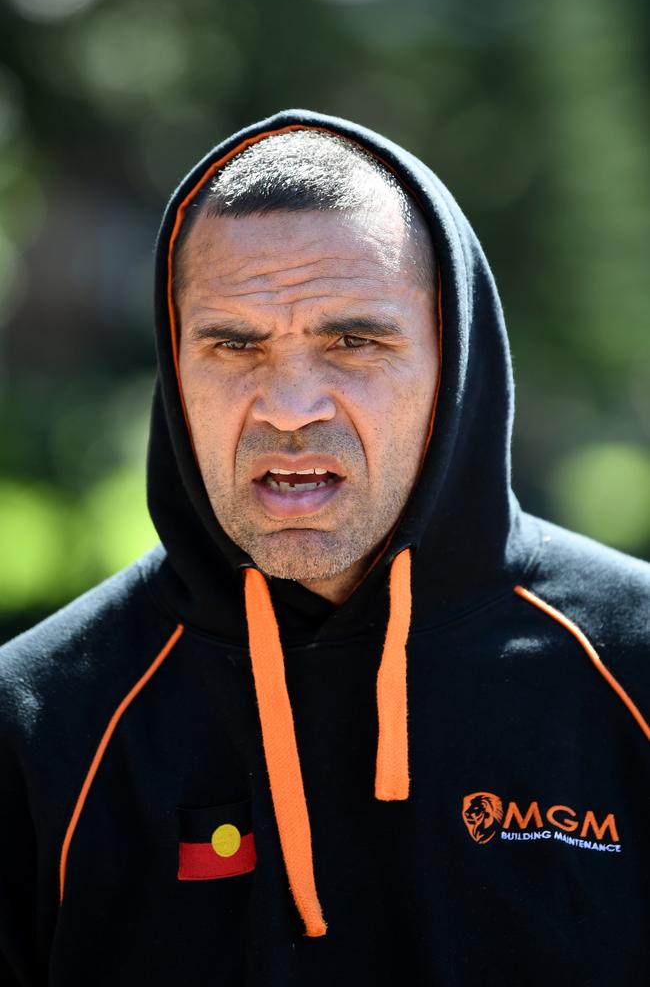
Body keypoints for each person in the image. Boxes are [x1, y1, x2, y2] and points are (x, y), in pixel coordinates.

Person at [0, 109, 648, 987]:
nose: (290, 405)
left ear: (454, 363)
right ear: (175, 367)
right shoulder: (36, 724)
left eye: (354, 341)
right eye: (234, 345)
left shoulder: (632, 667)